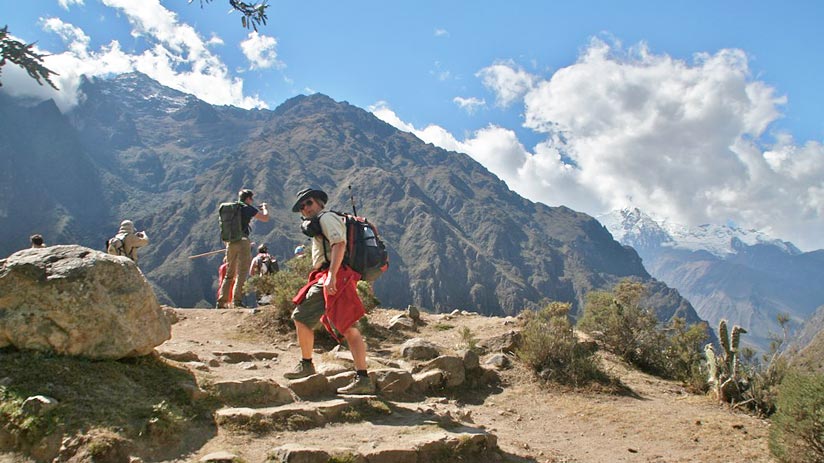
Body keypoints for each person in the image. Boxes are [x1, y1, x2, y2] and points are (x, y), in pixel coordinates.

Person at [284, 187, 375, 395]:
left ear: (319, 203)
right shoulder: (320, 223)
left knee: (304, 316)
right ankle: (362, 377)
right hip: (329, 275)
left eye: (308, 203)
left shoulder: (327, 218)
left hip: (335, 276)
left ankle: (310, 365)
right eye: (301, 206)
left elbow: (339, 244)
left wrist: (332, 275)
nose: (305, 208)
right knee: (345, 326)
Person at [216, 189, 269, 309]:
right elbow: (265, 218)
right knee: (242, 272)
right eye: (251, 198)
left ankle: (221, 301)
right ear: (248, 198)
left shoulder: (233, 209)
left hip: (230, 242)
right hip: (243, 241)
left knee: (229, 274)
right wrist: (265, 208)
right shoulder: (247, 208)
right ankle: (237, 301)